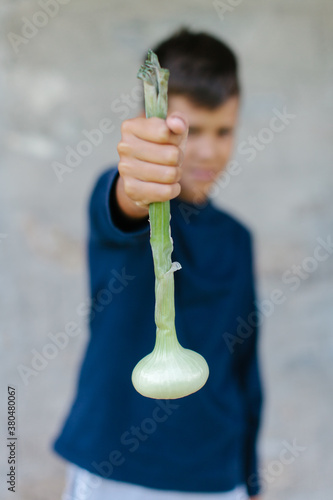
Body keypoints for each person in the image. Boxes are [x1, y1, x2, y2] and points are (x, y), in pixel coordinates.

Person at [53, 28, 263, 500]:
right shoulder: (128, 202)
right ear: (158, 126)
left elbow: (245, 370)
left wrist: (250, 479)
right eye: (192, 131)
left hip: (216, 477)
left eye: (223, 131)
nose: (208, 151)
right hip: (115, 470)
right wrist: (135, 182)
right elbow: (122, 206)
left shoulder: (237, 239)